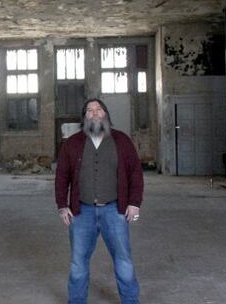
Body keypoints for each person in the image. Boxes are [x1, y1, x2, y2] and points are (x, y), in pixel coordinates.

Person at [55, 98, 144, 304]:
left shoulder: (122, 140)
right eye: (89, 110)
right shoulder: (73, 143)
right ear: (84, 117)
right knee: (78, 262)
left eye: (98, 109)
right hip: (81, 212)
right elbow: (62, 176)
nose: (94, 113)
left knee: (123, 260)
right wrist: (62, 205)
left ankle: (130, 301)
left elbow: (135, 174)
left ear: (106, 114)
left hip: (115, 210)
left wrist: (134, 203)